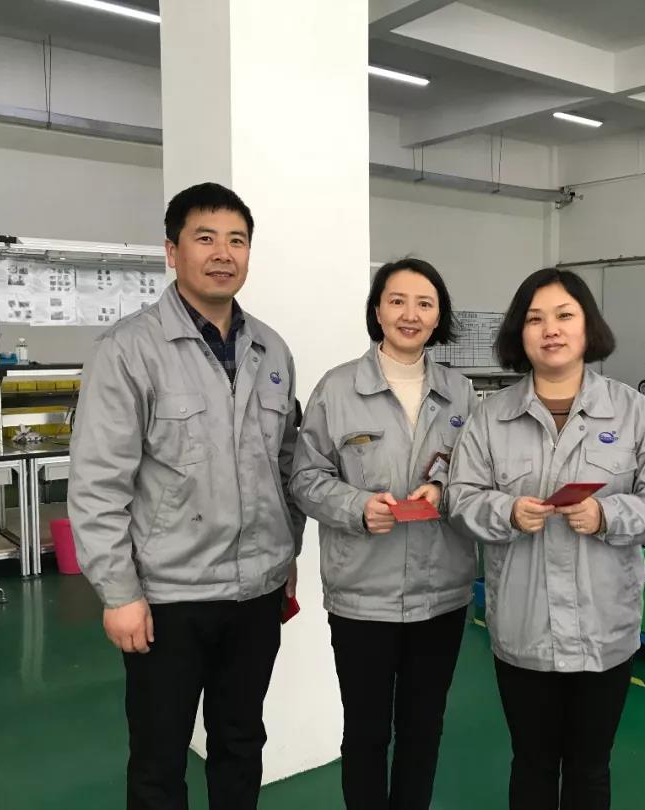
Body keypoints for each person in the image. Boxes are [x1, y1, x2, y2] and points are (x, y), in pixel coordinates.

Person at [68, 182, 305, 810]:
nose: (223, 253)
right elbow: (97, 483)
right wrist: (119, 594)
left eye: (237, 240)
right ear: (172, 252)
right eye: (205, 238)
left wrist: (287, 555)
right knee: (159, 757)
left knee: (241, 742)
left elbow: (287, 466)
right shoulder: (129, 350)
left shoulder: (272, 350)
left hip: (256, 593)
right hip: (168, 597)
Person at [446, 268, 645, 810]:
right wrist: (505, 511)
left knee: (590, 769)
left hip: (604, 628)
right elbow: (459, 500)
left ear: (587, 326)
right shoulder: (490, 417)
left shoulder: (633, 412)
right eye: (535, 318)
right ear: (519, 333)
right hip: (524, 629)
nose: (550, 329)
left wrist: (607, 515)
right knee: (531, 764)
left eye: (564, 315)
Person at [289, 258, 476, 810]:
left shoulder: (461, 393)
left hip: (442, 594)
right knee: (366, 733)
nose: (410, 314)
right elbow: (304, 477)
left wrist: (443, 489)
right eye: (397, 301)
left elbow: (480, 476)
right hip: (363, 597)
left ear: (438, 316)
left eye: (424, 304)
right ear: (377, 310)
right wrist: (356, 507)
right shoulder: (338, 388)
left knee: (424, 730)